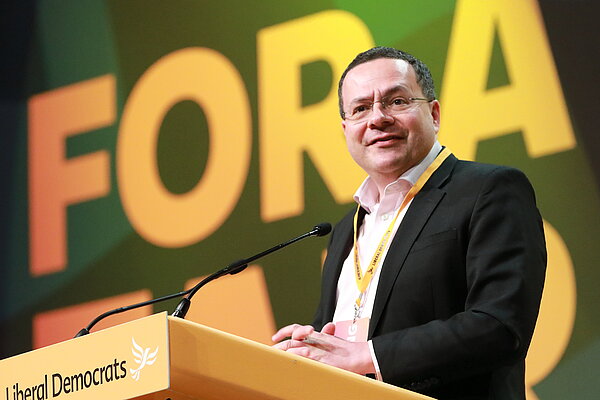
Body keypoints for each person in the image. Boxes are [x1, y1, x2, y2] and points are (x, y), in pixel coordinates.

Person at [272, 47, 546, 400]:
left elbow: (499, 326)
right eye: (360, 109)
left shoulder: (488, 190)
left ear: (433, 113)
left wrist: (366, 356)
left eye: (396, 101)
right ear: (346, 130)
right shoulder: (344, 230)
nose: (377, 118)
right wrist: (312, 347)